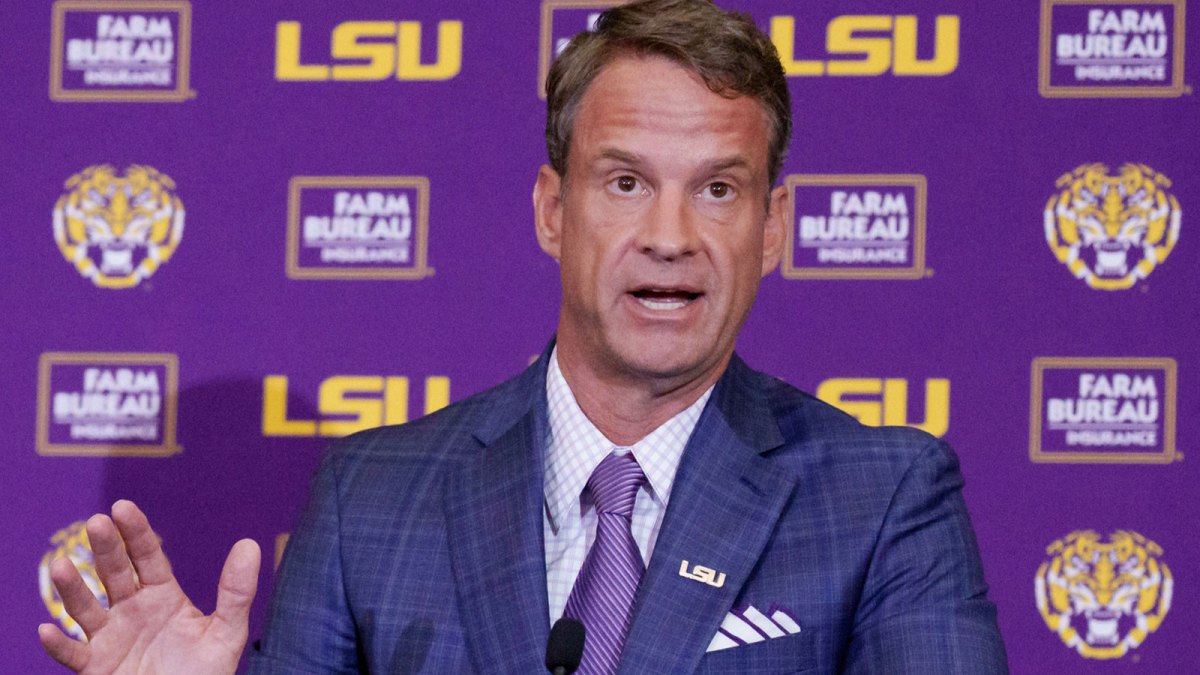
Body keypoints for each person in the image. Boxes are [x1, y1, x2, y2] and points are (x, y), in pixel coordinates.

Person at [39, 1, 1008, 672]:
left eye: (718, 189)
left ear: (774, 229)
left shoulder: (882, 495)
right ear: (553, 210)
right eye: (625, 183)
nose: (671, 237)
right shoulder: (372, 495)